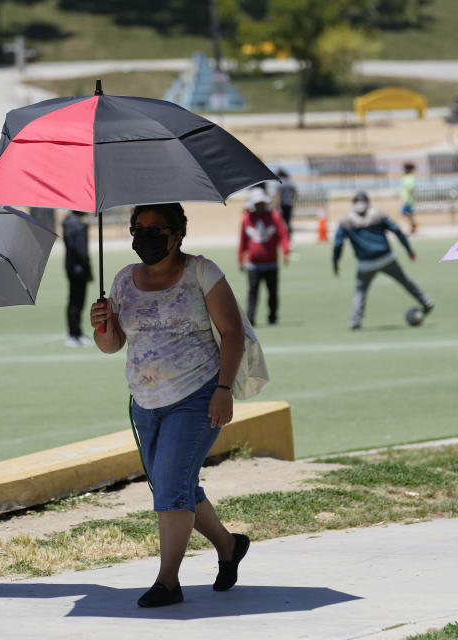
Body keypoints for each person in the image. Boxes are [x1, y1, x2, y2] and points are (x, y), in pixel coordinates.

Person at [89, 202, 250, 608]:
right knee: (173, 484)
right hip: (145, 401)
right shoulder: (124, 280)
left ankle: (168, 582)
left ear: (177, 233)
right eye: (138, 228)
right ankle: (229, 547)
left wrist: (224, 389)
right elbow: (111, 346)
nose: (145, 236)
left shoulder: (202, 272)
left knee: (172, 488)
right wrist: (103, 325)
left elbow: (232, 333)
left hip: (198, 394)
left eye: (156, 229)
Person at [332, 190, 433, 330]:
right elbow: (396, 230)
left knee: (360, 290)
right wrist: (409, 250)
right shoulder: (377, 213)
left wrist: (335, 262)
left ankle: (356, 321)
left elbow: (338, 243)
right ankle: (425, 301)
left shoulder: (346, 219)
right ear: (367, 202)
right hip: (386, 257)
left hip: (365, 263)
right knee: (404, 280)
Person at [238, 187, 290, 326]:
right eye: (256, 203)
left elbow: (283, 234)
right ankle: (251, 318)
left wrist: (285, 251)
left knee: (272, 293)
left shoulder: (274, 217)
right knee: (252, 293)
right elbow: (243, 240)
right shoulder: (246, 218)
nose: (259, 206)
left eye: (261, 203)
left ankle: (272, 316)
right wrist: (240, 259)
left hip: (271, 263)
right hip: (253, 265)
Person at [63, 209, 94, 347]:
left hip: (70, 267)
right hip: (79, 270)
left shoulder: (67, 223)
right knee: (78, 302)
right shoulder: (79, 226)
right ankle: (75, 334)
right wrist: (88, 270)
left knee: (72, 301)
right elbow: (82, 251)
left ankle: (73, 333)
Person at [275, 168, 297, 244]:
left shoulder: (280, 183)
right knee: (288, 223)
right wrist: (293, 202)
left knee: (280, 224)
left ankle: (282, 240)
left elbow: (278, 196)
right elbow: (295, 193)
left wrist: (278, 207)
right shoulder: (290, 182)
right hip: (289, 204)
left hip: (282, 205)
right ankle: (290, 240)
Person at [399, 163, 418, 235]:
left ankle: (414, 226)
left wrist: (408, 199)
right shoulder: (406, 177)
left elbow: (411, 189)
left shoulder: (410, 177)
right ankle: (413, 226)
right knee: (407, 213)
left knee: (405, 213)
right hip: (405, 199)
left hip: (408, 200)